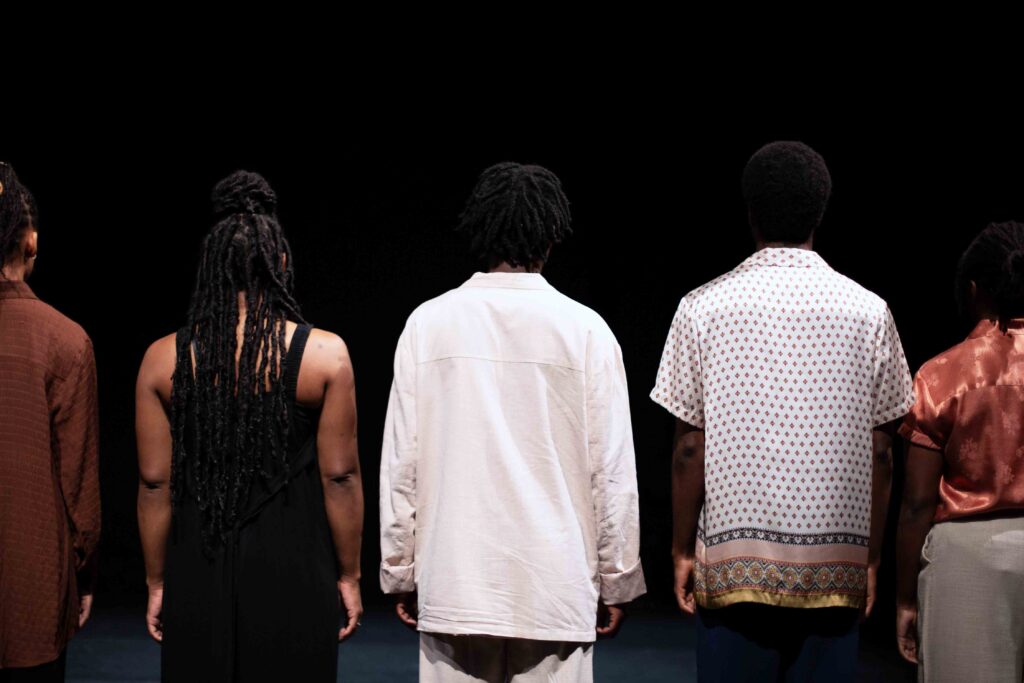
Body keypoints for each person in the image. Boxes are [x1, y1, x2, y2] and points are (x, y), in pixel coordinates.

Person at [651, 141, 915, 682]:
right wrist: (871, 561)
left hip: (731, 567)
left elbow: (688, 447)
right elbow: (883, 453)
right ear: (821, 213)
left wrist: (679, 549)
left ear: (750, 212)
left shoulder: (702, 307)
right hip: (834, 570)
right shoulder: (869, 313)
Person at [379, 161, 646, 682]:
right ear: (551, 235)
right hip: (555, 584)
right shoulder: (586, 330)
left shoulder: (427, 324)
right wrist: (617, 578)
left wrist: (400, 570)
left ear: (479, 229)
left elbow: (401, 464)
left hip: (456, 579)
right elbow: (611, 472)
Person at [135, 171, 363, 682]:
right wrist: (349, 574)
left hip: (199, 558)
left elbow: (155, 483)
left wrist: (156, 582)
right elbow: (341, 477)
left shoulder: (162, 359)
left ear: (211, 268)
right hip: (295, 564)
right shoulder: (325, 356)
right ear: (281, 262)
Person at [895, 221, 1024, 682]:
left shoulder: (941, 376)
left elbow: (916, 503)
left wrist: (905, 598)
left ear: (973, 290)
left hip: (969, 558)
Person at [0, 162, 100, 682]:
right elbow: (78, 487)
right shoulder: (65, 340)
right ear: (31, 241)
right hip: (31, 586)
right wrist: (82, 576)